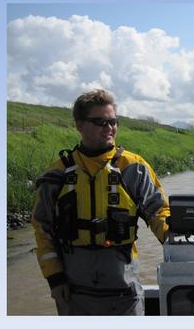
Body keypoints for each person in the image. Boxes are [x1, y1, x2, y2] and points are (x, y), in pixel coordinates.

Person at [32, 89, 170, 315]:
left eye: (113, 121)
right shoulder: (57, 174)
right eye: (100, 122)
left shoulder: (133, 167)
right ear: (79, 125)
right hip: (73, 294)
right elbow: (42, 228)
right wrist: (55, 280)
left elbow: (159, 213)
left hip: (124, 293)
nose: (110, 128)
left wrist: (178, 241)